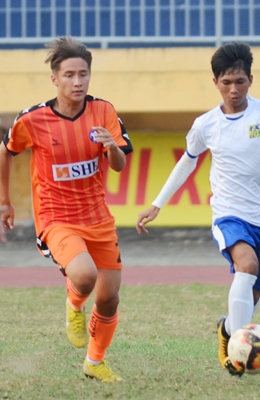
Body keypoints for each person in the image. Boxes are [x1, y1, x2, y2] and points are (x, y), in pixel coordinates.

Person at [136, 42, 260, 377]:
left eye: (240, 82)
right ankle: (238, 356)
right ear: (215, 82)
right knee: (247, 265)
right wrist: (157, 204)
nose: (233, 89)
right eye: (226, 82)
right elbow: (188, 161)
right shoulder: (206, 125)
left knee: (252, 294)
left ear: (251, 80)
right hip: (228, 212)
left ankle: (228, 329)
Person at [0, 37, 132, 382]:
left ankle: (94, 362)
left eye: (83, 74)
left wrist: (111, 147)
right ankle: (74, 304)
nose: (77, 82)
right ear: (55, 79)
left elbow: (119, 164)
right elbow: (5, 151)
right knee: (85, 276)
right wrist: (5, 201)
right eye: (69, 75)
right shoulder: (33, 119)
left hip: (98, 218)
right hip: (56, 217)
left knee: (109, 298)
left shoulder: (104, 111)